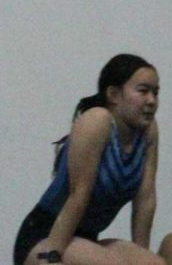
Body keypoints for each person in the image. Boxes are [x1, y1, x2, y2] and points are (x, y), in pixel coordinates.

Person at [13, 54, 163, 265]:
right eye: (143, 91)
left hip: (87, 238)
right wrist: (51, 256)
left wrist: (143, 257)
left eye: (156, 93)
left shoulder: (149, 131)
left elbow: (145, 200)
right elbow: (78, 194)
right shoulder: (97, 120)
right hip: (46, 234)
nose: (151, 100)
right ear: (114, 94)